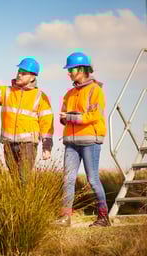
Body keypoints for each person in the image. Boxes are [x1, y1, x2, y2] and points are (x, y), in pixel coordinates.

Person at [0, 58, 54, 183]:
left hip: (27, 144)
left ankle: (24, 202)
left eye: (24, 72)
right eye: (19, 71)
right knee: (14, 179)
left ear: (33, 76)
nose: (19, 74)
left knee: (23, 180)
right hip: (8, 143)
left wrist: (47, 146)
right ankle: (17, 202)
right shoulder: (6, 91)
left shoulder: (40, 97)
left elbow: (46, 122)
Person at [55, 52, 111, 227]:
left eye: (71, 69)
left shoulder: (96, 90)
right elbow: (64, 115)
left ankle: (103, 217)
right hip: (71, 142)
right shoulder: (69, 93)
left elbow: (95, 115)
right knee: (67, 179)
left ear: (82, 69)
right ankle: (65, 218)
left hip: (90, 141)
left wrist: (70, 117)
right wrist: (64, 118)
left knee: (92, 179)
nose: (69, 73)